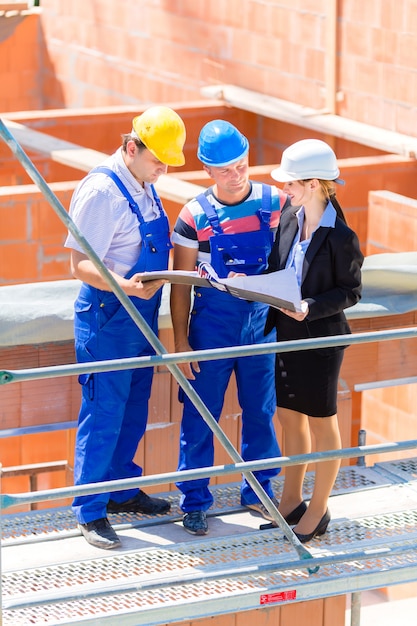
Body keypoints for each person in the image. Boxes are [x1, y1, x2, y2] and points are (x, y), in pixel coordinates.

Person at [64, 106, 186, 549]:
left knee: (134, 407)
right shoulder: (102, 191)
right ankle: (90, 510)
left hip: (141, 317)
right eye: (158, 161)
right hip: (109, 318)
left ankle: (119, 490)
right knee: (104, 414)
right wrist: (126, 286)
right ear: (131, 147)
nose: (163, 169)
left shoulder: (144, 183)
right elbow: (79, 264)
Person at [170, 119, 292, 535]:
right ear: (207, 170)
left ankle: (259, 492)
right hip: (211, 329)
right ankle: (194, 501)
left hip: (261, 325)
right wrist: (181, 341)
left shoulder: (276, 201)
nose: (236, 175)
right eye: (224, 170)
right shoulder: (193, 215)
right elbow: (181, 284)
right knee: (201, 415)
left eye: (241, 164)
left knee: (260, 410)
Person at [264, 138, 363, 543]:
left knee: (323, 424)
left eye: (291, 184)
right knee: (289, 417)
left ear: (313, 184)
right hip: (286, 334)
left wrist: (310, 306)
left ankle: (319, 507)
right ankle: (291, 498)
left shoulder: (341, 236)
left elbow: (350, 292)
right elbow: (277, 266)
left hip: (320, 340)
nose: (284, 190)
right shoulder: (290, 216)